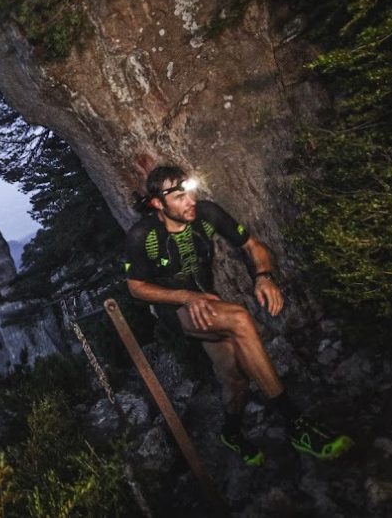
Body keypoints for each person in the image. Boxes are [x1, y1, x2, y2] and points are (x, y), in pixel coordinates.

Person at [124, 164, 352, 466]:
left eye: (190, 192)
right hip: (175, 310)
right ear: (158, 203)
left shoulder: (206, 213)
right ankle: (296, 424)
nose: (190, 201)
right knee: (240, 318)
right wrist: (185, 296)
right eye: (179, 197)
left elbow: (252, 245)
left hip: (211, 305)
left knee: (235, 380)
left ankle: (231, 433)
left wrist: (264, 276)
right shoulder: (143, 234)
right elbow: (136, 287)